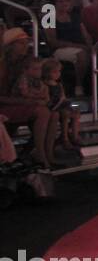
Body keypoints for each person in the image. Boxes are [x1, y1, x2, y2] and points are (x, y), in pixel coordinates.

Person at [0, 29, 57, 169]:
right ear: (10, 45)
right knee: (42, 112)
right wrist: (28, 101)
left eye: (27, 42)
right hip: (6, 105)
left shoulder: (25, 64)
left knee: (54, 114)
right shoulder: (2, 66)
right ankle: (40, 155)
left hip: (21, 104)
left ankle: (47, 154)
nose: (26, 45)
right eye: (21, 43)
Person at [42, 58, 80, 148]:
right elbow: (48, 100)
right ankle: (64, 138)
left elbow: (63, 96)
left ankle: (75, 136)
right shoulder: (44, 85)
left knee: (75, 113)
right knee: (65, 114)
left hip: (61, 104)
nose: (58, 74)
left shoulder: (59, 85)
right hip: (53, 106)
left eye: (58, 71)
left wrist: (64, 101)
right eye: (54, 72)